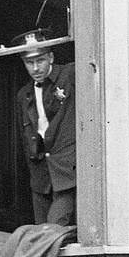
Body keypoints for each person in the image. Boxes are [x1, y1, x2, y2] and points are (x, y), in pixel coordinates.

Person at [16, 33, 76, 226]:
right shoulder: (23, 95)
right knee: (40, 230)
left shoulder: (69, 75)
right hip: (41, 177)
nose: (35, 68)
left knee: (52, 229)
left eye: (40, 60)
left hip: (68, 172)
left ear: (50, 57)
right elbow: (27, 139)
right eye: (29, 62)